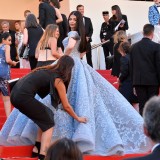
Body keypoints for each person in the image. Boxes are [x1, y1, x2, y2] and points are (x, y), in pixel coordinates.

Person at [0, 11, 152, 156]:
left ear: (78, 21)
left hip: (70, 66)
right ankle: (53, 140)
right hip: (75, 64)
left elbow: (72, 48)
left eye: (74, 19)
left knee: (64, 98)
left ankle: (46, 144)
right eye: (70, 19)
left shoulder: (73, 34)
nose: (71, 21)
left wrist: (63, 57)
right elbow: (81, 53)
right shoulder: (80, 35)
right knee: (73, 97)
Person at [10, 55, 87, 160]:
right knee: (49, 123)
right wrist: (78, 118)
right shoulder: (58, 80)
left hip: (15, 95)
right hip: (23, 97)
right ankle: (43, 156)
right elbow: (66, 106)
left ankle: (36, 149)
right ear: (68, 69)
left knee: (45, 118)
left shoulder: (46, 70)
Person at [130, 24, 160, 115]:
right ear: (152, 33)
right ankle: (152, 127)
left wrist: (133, 83)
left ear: (143, 33)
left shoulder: (133, 47)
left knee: (142, 105)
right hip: (153, 81)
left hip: (138, 81)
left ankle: (143, 126)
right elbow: (158, 66)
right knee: (152, 106)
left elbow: (131, 66)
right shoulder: (157, 47)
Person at [0, 33, 18, 118]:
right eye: (9, 40)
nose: (10, 42)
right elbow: (7, 59)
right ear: (3, 39)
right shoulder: (6, 47)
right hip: (4, 73)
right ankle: (8, 121)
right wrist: (13, 63)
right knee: (6, 98)